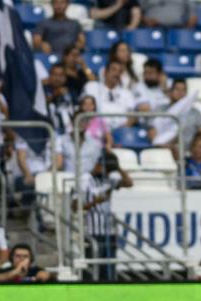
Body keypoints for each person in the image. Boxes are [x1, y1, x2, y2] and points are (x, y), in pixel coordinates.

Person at [71, 151, 133, 282]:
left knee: (109, 270)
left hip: (109, 231)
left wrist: (118, 167)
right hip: (92, 232)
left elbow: (129, 183)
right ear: (99, 165)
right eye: (107, 169)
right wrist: (95, 202)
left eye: (111, 171)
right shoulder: (85, 179)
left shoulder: (108, 179)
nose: (108, 173)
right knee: (92, 269)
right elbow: (75, 207)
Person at [82, 60, 136, 129]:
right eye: (114, 69)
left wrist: (123, 129)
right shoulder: (92, 87)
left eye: (120, 71)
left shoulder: (127, 93)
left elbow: (133, 116)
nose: (117, 73)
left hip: (121, 132)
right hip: (96, 130)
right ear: (105, 72)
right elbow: (82, 109)